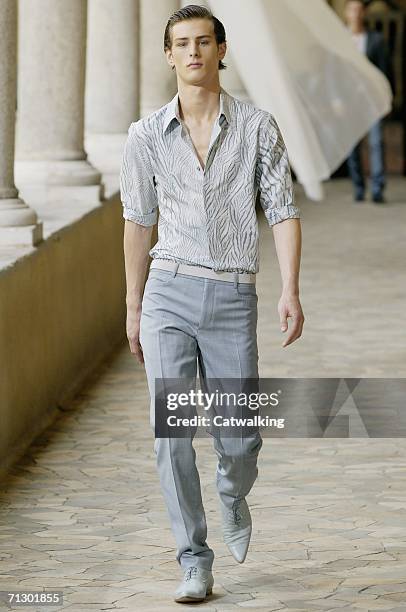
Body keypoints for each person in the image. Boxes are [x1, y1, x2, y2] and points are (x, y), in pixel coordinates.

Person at [120, 4, 304, 604]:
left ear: (222, 50)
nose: (194, 52)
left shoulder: (257, 127)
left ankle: (232, 487)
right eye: (182, 43)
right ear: (169, 55)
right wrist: (132, 307)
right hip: (167, 292)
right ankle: (193, 558)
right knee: (171, 436)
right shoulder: (145, 135)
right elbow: (137, 224)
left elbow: (281, 210)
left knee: (240, 436)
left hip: (231, 294)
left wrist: (290, 289)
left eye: (204, 42)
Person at [344, 0, 391, 203]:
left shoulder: (376, 39)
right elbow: (333, 72)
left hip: (372, 100)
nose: (356, 13)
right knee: (352, 146)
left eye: (359, 9)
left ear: (364, 13)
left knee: (376, 143)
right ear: (346, 13)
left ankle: (378, 189)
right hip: (349, 103)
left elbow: (385, 71)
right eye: (352, 9)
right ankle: (358, 187)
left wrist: (387, 97)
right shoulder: (338, 39)